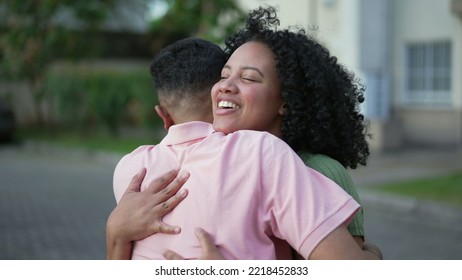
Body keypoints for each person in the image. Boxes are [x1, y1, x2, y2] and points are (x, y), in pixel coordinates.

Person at [109, 37, 379, 260]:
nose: (225, 85)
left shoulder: (313, 167)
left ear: (286, 100)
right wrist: (116, 232)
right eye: (224, 75)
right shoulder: (228, 157)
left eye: (248, 78)